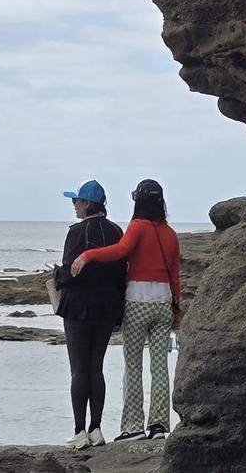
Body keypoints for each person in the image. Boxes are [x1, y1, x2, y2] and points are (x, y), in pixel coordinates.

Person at [71, 179, 180, 442]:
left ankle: (133, 427)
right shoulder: (170, 234)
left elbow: (120, 251)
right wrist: (177, 307)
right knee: (160, 366)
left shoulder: (138, 226)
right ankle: (159, 426)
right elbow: (176, 276)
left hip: (138, 302)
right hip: (163, 303)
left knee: (133, 366)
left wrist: (88, 255)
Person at [52, 180, 127, 450]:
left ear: (87, 203)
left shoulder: (76, 232)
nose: (74, 205)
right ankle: (97, 429)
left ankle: (79, 431)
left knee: (79, 370)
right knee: (96, 368)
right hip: (106, 307)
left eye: (77, 201)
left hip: (77, 306)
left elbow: (70, 272)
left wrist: (55, 276)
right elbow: (121, 273)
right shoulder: (116, 231)